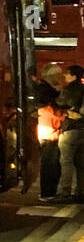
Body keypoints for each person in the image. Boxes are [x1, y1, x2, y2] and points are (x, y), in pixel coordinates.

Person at [53, 65, 84, 202]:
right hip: (82, 129)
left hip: (70, 129)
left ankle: (65, 192)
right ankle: (80, 192)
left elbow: (60, 103)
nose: (65, 76)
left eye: (67, 74)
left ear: (73, 76)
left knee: (66, 161)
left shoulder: (69, 89)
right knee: (81, 163)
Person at [35, 65, 66, 199]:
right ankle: (48, 193)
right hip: (49, 131)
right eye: (59, 75)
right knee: (50, 164)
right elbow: (48, 109)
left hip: (51, 130)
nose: (61, 78)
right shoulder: (45, 91)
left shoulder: (46, 89)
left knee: (53, 164)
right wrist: (63, 114)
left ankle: (50, 192)